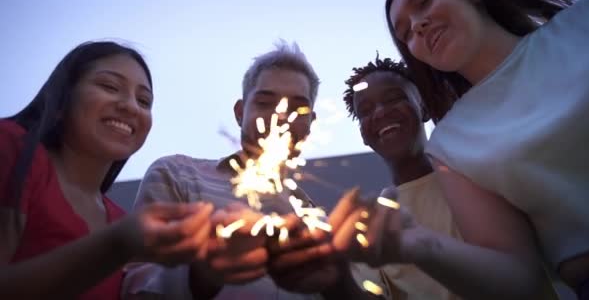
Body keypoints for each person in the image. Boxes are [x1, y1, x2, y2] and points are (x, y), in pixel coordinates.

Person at [333, 0, 589, 300]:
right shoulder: (453, 142)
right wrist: (416, 244)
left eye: (425, 1)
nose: (417, 25)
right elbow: (516, 277)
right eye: (405, 33)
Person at [123, 41, 376, 299]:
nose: (280, 117)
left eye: (297, 108)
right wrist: (201, 273)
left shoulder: (318, 223)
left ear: (310, 124)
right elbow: (134, 287)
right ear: (240, 112)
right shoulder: (177, 175)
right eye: (265, 103)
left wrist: (338, 282)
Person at [0, 41, 214, 299]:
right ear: (60, 100)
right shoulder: (11, 146)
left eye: (144, 101)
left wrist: (206, 274)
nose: (131, 106)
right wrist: (116, 245)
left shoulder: (121, 219)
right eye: (110, 87)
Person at [342, 55, 461, 299]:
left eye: (394, 98)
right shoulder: (372, 223)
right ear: (363, 135)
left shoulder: (475, 177)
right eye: (365, 110)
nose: (380, 113)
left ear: (425, 107)